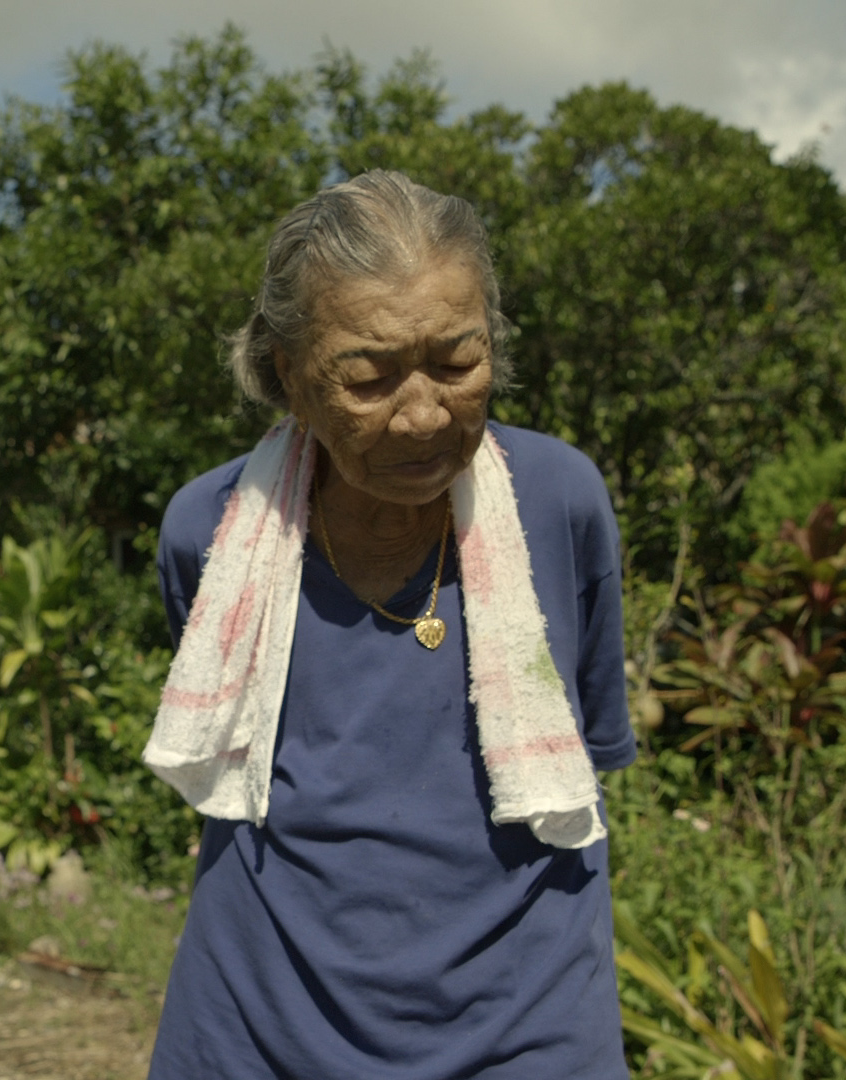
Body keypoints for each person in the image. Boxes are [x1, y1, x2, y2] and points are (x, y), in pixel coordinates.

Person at [142, 170, 636, 1079]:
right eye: (367, 379)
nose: (422, 416)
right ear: (289, 377)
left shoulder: (559, 504)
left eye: (458, 363)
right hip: (256, 1023)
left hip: (526, 1024)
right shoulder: (207, 533)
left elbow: (591, 754)